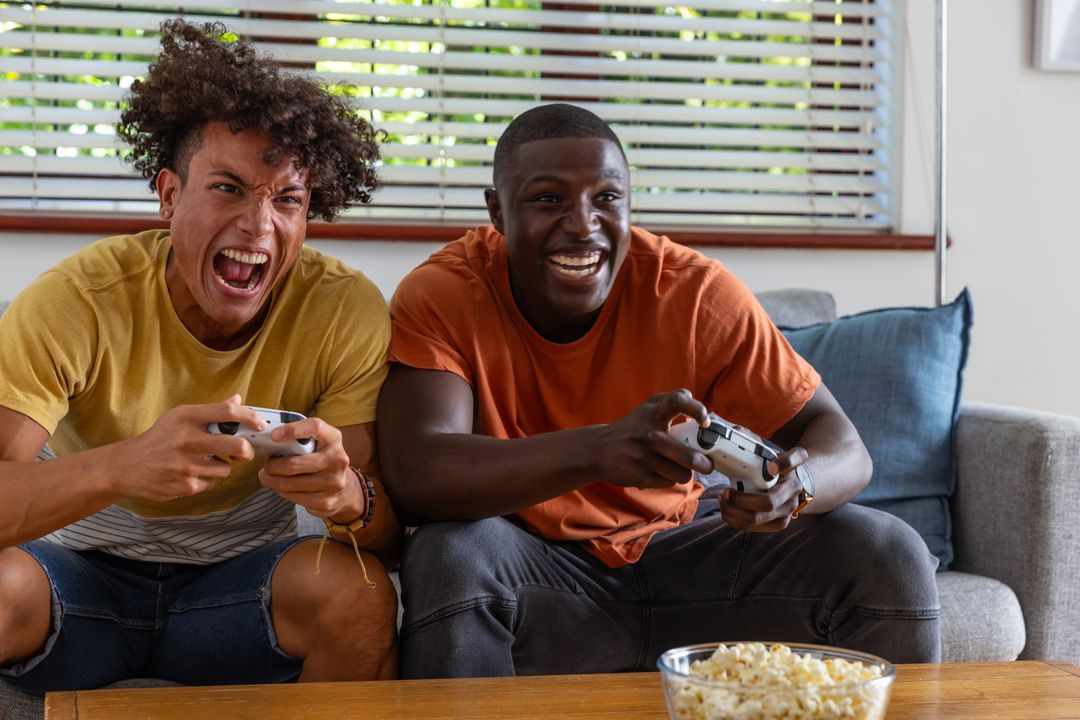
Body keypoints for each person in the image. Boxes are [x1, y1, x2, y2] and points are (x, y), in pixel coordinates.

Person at [377, 103, 941, 678]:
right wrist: (597, 450)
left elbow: (845, 447)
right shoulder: (447, 291)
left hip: (690, 552)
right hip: (533, 566)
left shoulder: (694, 292)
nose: (582, 224)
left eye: (606, 198)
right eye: (548, 199)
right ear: (497, 210)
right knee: (450, 553)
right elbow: (418, 474)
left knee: (885, 549)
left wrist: (797, 486)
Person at [0, 20, 401, 694]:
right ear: (168, 195)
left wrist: (349, 497)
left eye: (288, 200)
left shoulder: (342, 309)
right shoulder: (78, 300)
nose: (259, 225)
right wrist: (124, 466)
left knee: (357, 594)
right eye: (229, 188)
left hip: (236, 595)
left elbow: (382, 537)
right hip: (73, 583)